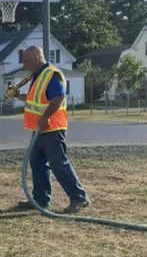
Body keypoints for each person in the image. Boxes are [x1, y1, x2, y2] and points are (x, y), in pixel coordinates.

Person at [11, 45, 89, 214]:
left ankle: (79, 198)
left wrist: (45, 117)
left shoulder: (52, 74)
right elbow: (35, 101)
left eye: (26, 61)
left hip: (52, 128)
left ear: (36, 58)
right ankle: (40, 199)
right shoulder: (37, 77)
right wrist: (17, 95)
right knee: (37, 163)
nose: (25, 65)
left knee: (59, 163)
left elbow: (58, 99)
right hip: (38, 129)